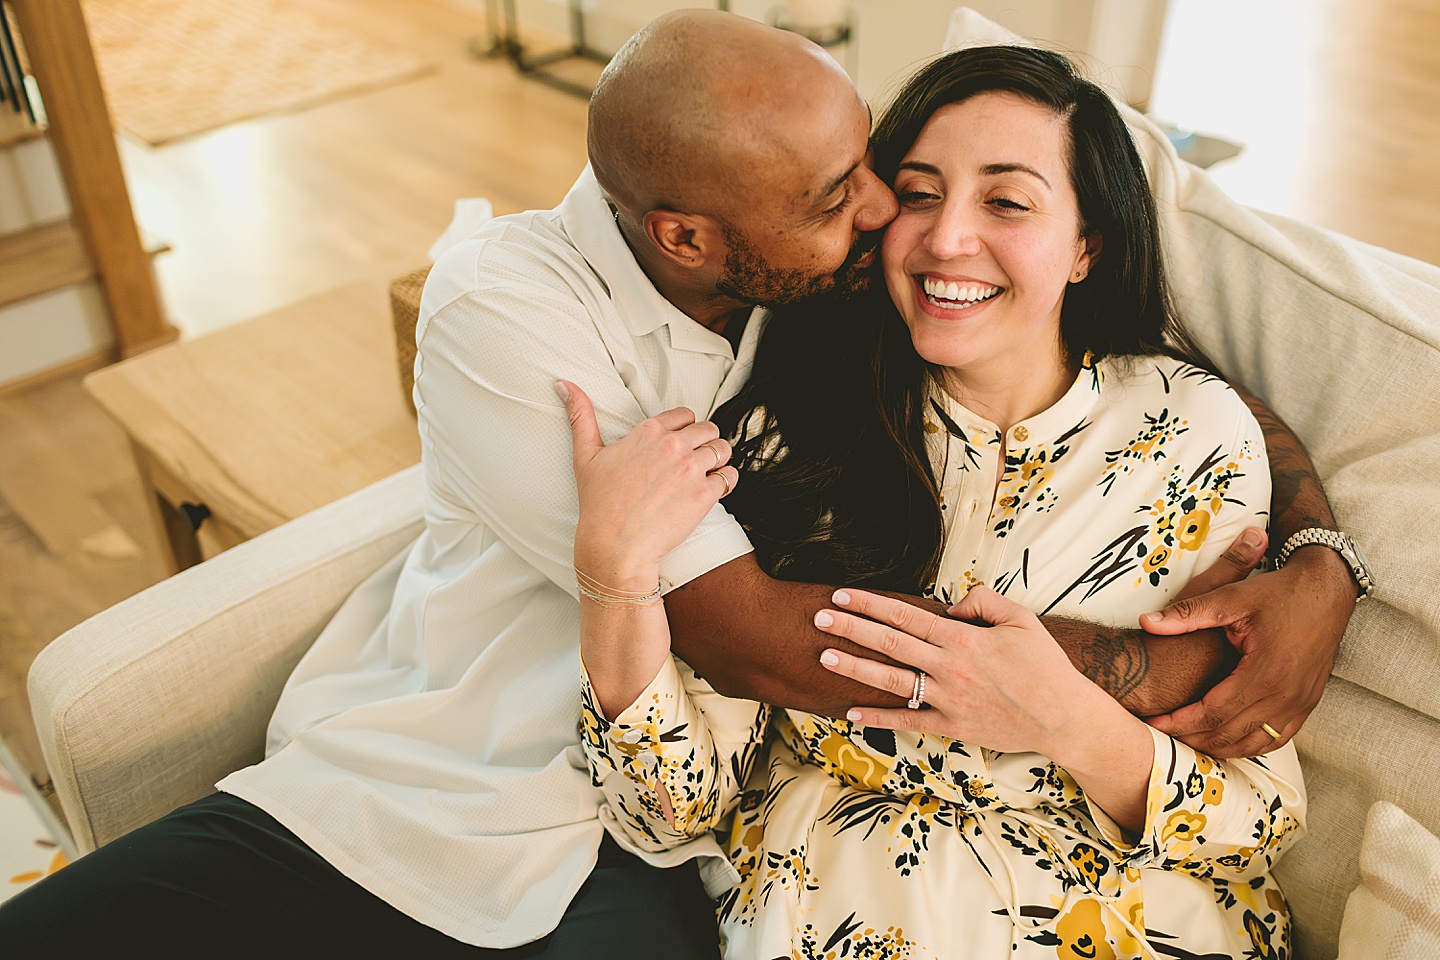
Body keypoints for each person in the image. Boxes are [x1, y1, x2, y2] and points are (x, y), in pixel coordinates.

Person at [0, 11, 1352, 955]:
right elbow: (734, 650)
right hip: (470, 798)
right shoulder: (568, 321)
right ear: (694, 237)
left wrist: (1317, 557)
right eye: (865, 191)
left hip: (799, 876)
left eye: (1000, 199)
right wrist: (1147, 677)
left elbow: (1159, 383)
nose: (896, 218)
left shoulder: (879, 301)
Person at [567, 44, 1304, 958]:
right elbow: (670, 814)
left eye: (1006, 200)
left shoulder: (1196, 433)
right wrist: (612, 579)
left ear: (1086, 246)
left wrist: (1067, 721)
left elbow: (1258, 818)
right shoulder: (788, 432)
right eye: (918, 193)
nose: (948, 238)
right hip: (839, 915)